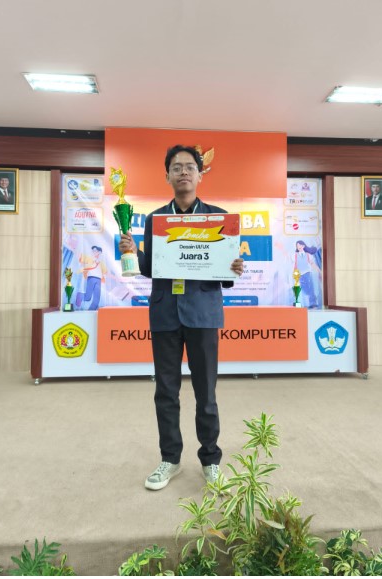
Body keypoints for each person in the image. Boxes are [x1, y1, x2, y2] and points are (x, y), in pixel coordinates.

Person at [119, 145, 244, 491]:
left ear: (200, 175)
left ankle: (211, 460)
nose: (184, 172)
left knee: (206, 392)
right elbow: (150, 268)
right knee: (166, 391)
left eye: (190, 167)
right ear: (167, 176)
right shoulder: (155, 220)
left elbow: (224, 274)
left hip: (203, 313)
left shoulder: (219, 218)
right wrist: (132, 252)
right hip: (165, 313)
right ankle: (170, 459)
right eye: (177, 167)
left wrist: (234, 267)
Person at [75, 245, 107, 310]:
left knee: (97, 299)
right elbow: (80, 257)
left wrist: (117, 278)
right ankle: (80, 295)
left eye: (95, 251)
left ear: (99, 252)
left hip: (98, 279)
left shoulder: (101, 262)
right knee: (88, 297)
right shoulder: (89, 258)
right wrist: (75, 248)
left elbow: (106, 272)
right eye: (93, 251)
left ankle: (91, 311)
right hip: (91, 278)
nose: (93, 252)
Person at [294, 240, 321, 308]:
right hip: (300, 275)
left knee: (311, 287)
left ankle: (313, 303)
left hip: (307, 273)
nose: (299, 246)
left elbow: (312, 263)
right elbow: (291, 260)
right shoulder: (295, 255)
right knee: (304, 289)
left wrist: (319, 271)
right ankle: (306, 302)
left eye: (300, 245)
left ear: (303, 246)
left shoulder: (308, 255)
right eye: (297, 245)